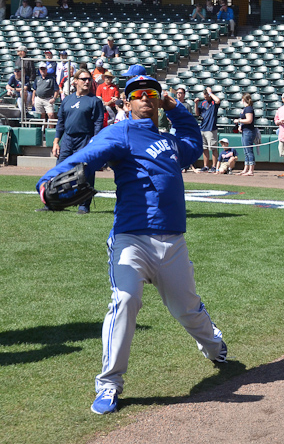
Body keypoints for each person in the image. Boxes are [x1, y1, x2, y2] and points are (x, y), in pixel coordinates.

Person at [36, 74, 228, 415]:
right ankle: (109, 384)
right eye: (138, 94)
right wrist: (48, 179)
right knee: (124, 300)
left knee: (186, 309)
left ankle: (214, 346)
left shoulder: (170, 142)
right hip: (131, 238)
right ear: (127, 102)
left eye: (152, 93)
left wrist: (176, 107)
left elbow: (193, 144)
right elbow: (88, 155)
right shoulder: (121, 132)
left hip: (172, 241)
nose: (145, 98)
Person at [44, 68, 105, 214]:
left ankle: (84, 204)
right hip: (67, 139)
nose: (87, 82)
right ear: (75, 81)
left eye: (89, 79)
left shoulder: (95, 101)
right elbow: (61, 122)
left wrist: (94, 143)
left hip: (85, 139)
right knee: (59, 171)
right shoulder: (67, 100)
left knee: (85, 172)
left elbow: (98, 123)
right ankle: (54, 203)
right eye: (83, 79)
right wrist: (56, 142)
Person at [193, 87, 221, 172]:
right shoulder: (203, 103)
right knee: (204, 148)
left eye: (207, 95)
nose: (205, 97)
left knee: (213, 148)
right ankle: (205, 166)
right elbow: (197, 113)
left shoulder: (213, 102)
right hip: (203, 128)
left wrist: (210, 93)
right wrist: (196, 104)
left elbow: (218, 100)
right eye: (204, 95)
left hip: (211, 128)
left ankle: (214, 166)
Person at [235, 93, 257, 176]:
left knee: (249, 151)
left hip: (249, 131)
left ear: (243, 100)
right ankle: (245, 169)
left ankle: (251, 170)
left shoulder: (248, 109)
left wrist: (239, 121)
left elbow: (249, 120)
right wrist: (241, 125)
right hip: (245, 131)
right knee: (246, 151)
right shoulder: (246, 109)